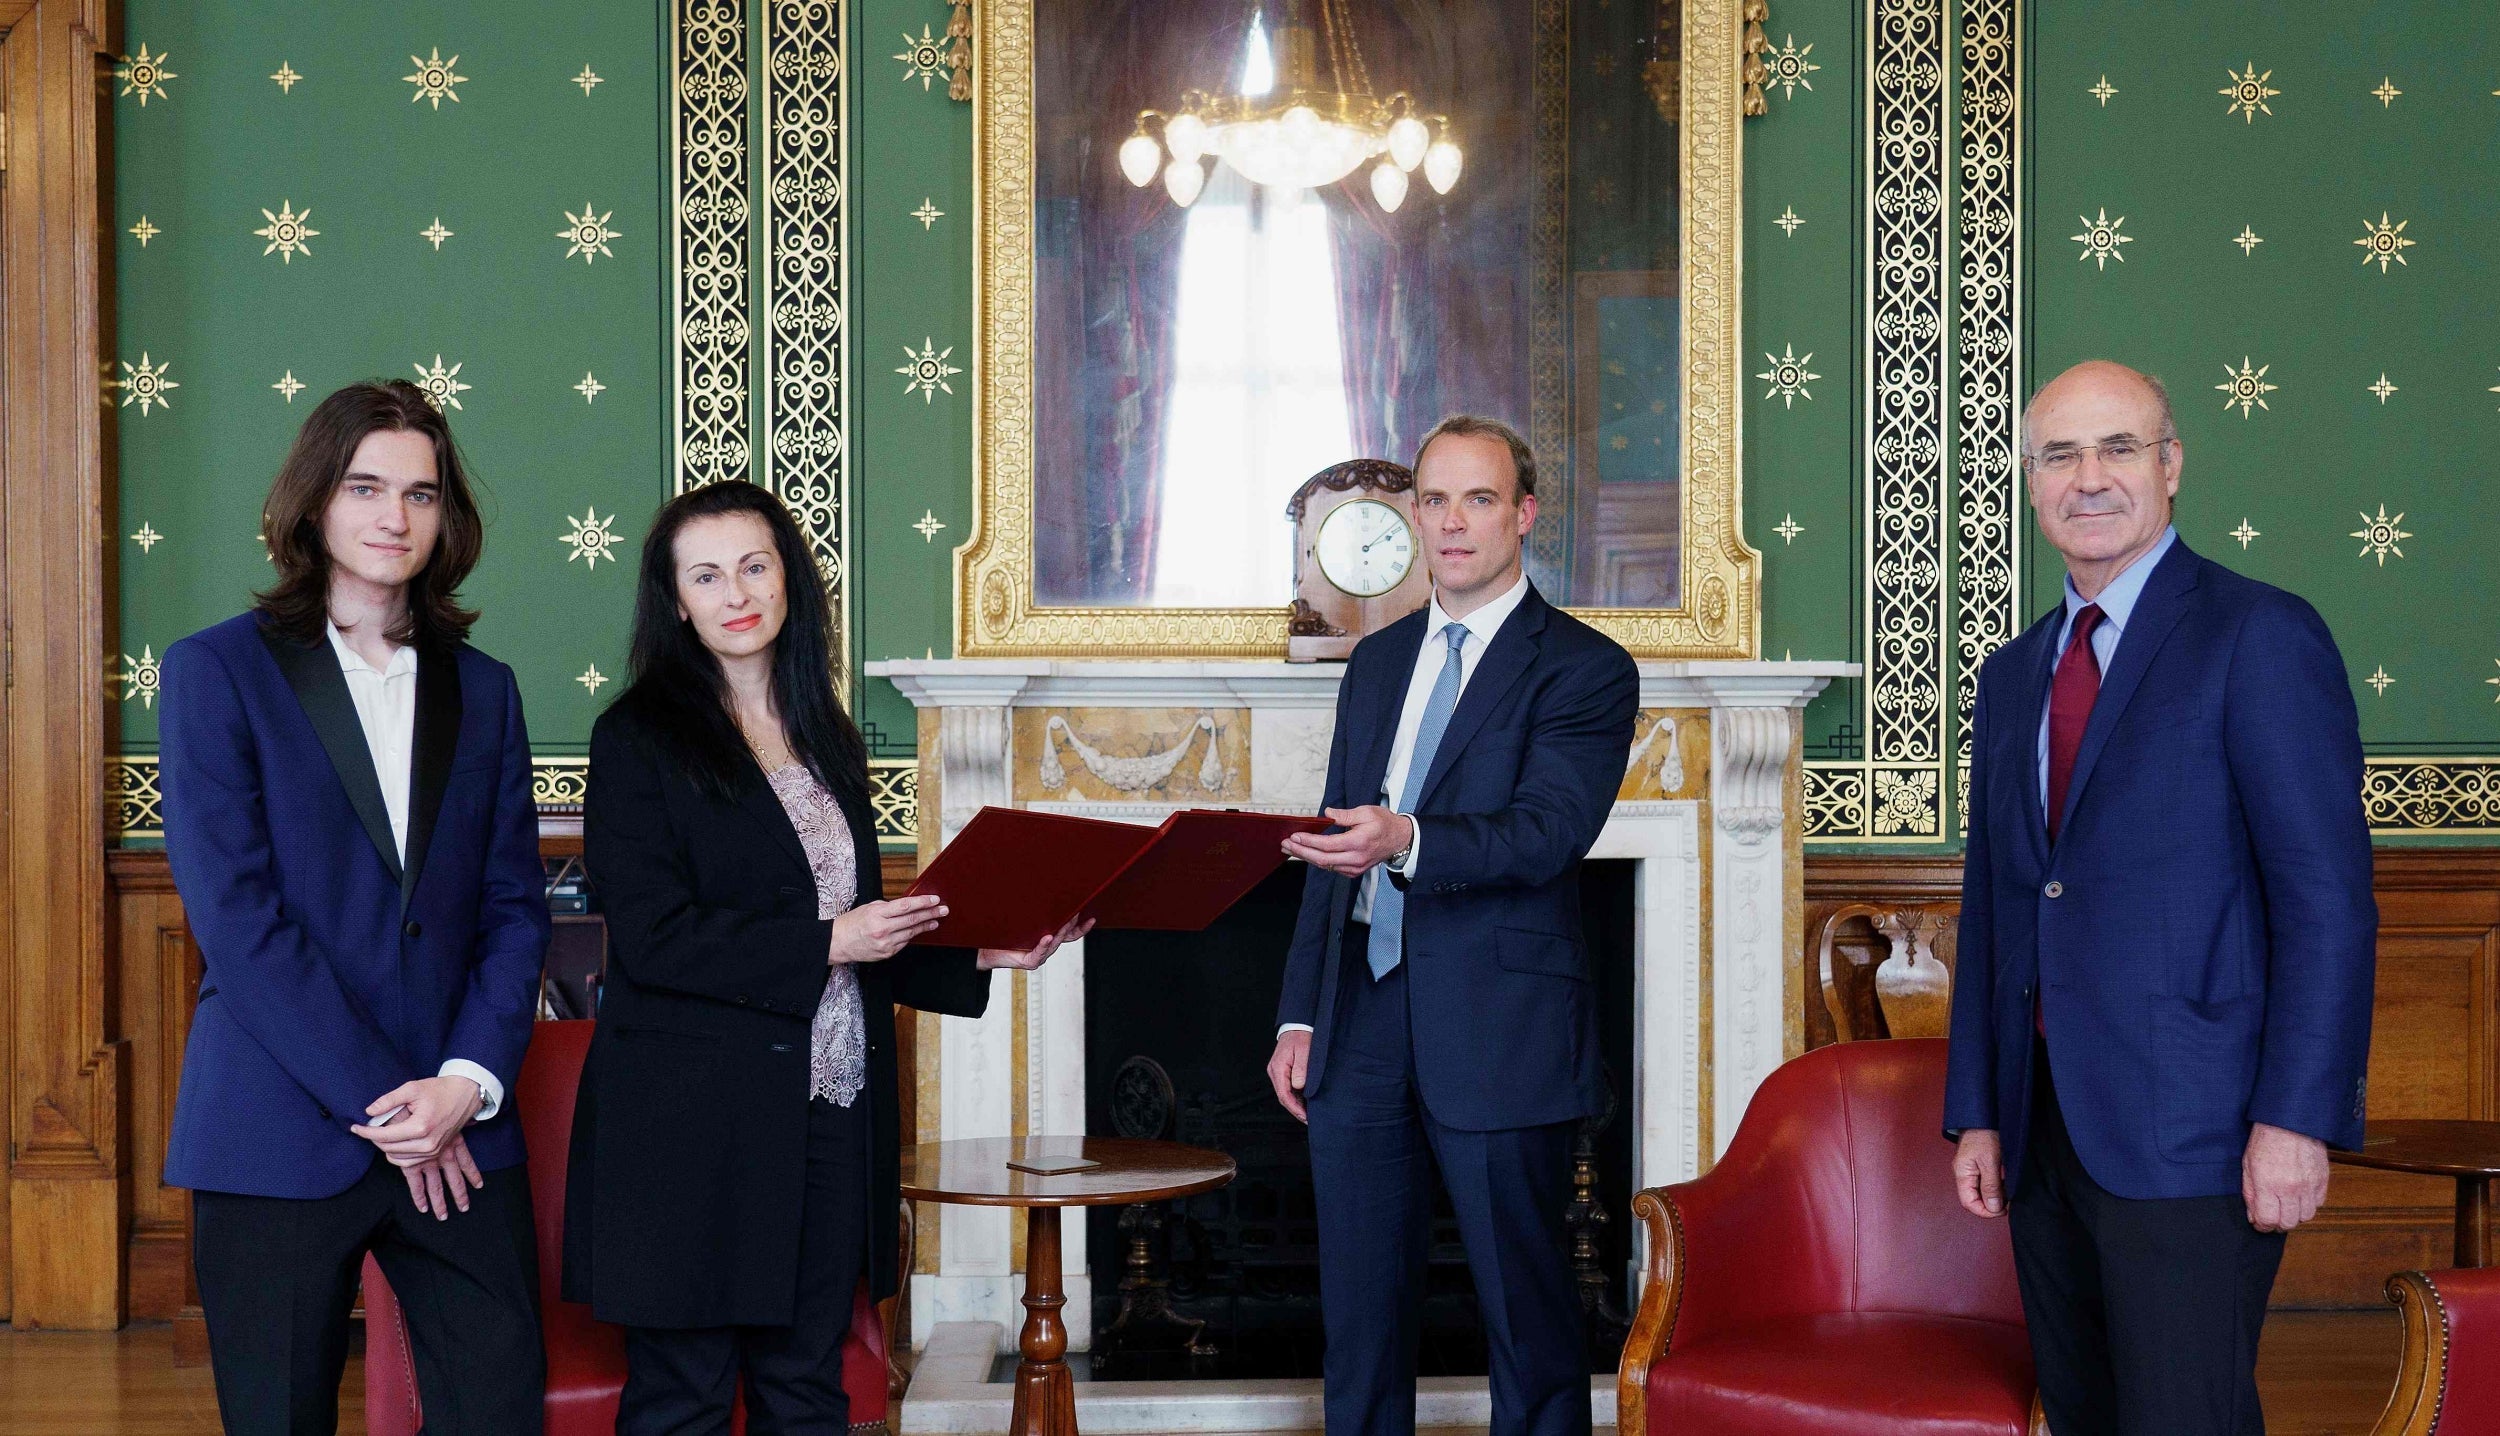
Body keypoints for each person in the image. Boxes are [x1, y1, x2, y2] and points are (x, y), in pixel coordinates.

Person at [562, 480, 1084, 1434]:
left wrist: (986, 954)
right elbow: (653, 938)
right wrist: (831, 940)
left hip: (828, 1116)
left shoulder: (827, 736)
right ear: (675, 601)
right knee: (682, 1397)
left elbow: (859, 931)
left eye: (756, 566)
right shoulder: (637, 738)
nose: (737, 593)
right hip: (691, 1129)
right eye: (707, 575)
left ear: (790, 578)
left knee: (807, 1388)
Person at [1944, 360, 2376, 1434]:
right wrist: (1979, 1111)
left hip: (2199, 1127)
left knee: (2186, 1415)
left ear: (2170, 465)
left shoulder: (2258, 635)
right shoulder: (2010, 674)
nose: (2088, 478)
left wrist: (2294, 1118)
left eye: (2118, 448)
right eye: (2059, 455)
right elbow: (1998, 902)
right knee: (2085, 1412)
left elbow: (2325, 901)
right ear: (2030, 481)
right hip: (2043, 1131)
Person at [160, 379, 551, 1433]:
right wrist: (396, 1105)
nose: (394, 515)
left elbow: (515, 908)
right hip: (279, 1117)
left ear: (446, 517)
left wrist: (463, 1083)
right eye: (366, 485)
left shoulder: (488, 688)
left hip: (457, 1122)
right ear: (315, 502)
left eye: (421, 493)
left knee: (500, 1403)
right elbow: (240, 922)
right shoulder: (214, 672)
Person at [1267, 416, 1638, 1436]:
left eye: (1477, 498)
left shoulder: (1584, 668)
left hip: (1501, 1021)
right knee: (1360, 1322)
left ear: (1523, 514)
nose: (1452, 521)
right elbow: (1332, 843)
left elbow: (1545, 834)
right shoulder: (1378, 661)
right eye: (1433, 499)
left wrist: (1408, 837)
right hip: (1361, 1021)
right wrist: (1299, 1012)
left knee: (1528, 1320)